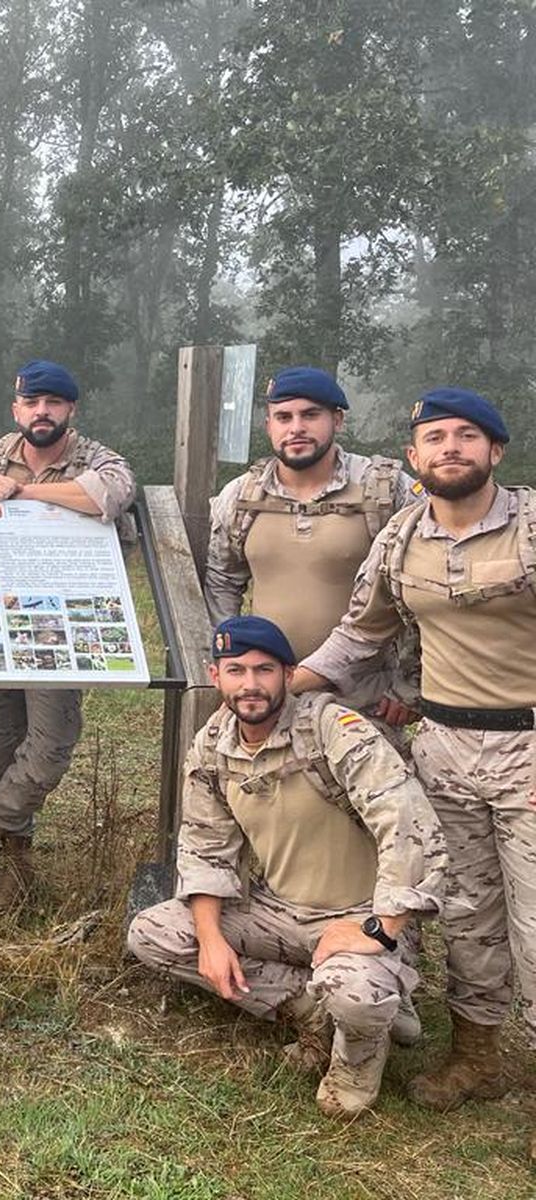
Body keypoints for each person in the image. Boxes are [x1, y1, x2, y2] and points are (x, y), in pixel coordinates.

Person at [294, 387, 534, 1129]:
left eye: (468, 435)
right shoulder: (401, 537)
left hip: (531, 745)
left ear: (496, 451)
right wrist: (282, 682)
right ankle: (478, 1055)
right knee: (466, 912)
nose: (451, 448)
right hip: (445, 749)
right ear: (414, 457)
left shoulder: (530, 527)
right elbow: (360, 635)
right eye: (435, 438)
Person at [127, 616, 446, 1118]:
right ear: (216, 676)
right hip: (277, 911)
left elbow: (408, 823)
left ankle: (359, 1052)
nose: (250, 685)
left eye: (264, 670)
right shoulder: (214, 744)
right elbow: (205, 849)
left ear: (289, 674)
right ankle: (319, 1015)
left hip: (357, 913)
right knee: (153, 932)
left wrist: (381, 930)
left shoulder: (332, 730)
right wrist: (210, 941)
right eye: (236, 671)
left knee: (357, 997)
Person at [0, 360, 136, 912]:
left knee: (50, 744)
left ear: (70, 410)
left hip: (61, 626)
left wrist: (25, 494)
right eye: (32, 403)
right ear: (17, 409)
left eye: (53, 403)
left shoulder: (96, 458)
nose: (42, 412)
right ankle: (16, 863)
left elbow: (109, 496)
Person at [205, 365, 418, 723]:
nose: (296, 427)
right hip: (267, 699)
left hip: (363, 699)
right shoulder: (241, 496)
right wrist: (233, 666)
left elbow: (426, 592)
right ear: (268, 426)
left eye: (310, 415)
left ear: (338, 420)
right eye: (283, 417)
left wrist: (410, 683)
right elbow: (221, 582)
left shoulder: (384, 490)